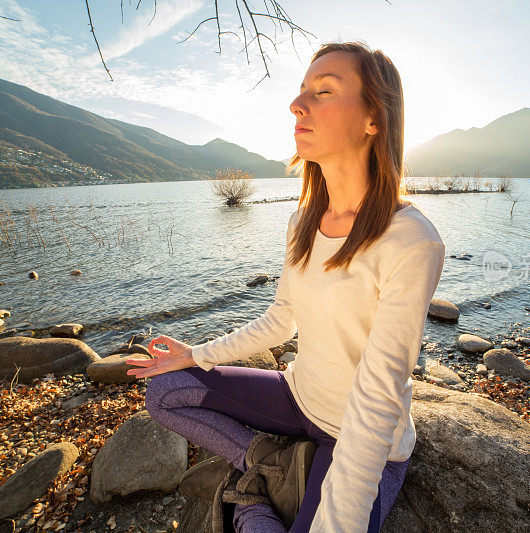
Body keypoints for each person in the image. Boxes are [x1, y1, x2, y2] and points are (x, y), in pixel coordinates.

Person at [127, 40, 446, 532]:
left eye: (323, 91)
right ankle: (261, 461)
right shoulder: (303, 220)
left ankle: (253, 504)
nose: (297, 104)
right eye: (302, 91)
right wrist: (196, 353)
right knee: (165, 389)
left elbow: (380, 394)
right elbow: (281, 318)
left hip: (358, 439)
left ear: (374, 119)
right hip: (298, 400)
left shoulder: (411, 241)